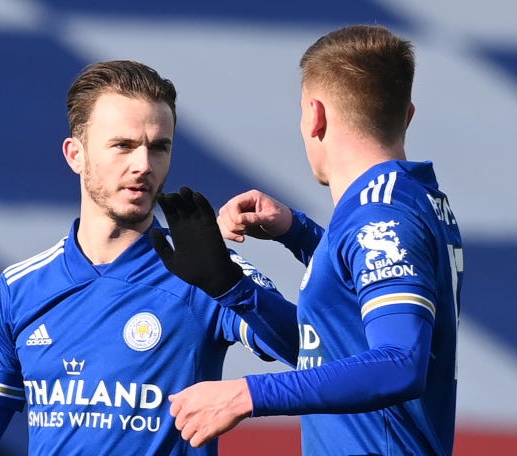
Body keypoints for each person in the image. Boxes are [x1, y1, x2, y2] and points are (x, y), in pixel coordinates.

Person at [0, 60, 299, 456]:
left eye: (159, 147)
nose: (143, 165)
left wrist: (234, 289)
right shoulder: (20, 287)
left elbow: (315, 352)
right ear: (75, 154)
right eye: (123, 145)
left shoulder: (207, 271)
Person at [155, 25, 464, 455]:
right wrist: (280, 246)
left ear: (315, 115)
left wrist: (247, 393)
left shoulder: (381, 215)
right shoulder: (402, 201)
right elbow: (335, 341)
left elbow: (400, 363)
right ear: (407, 114)